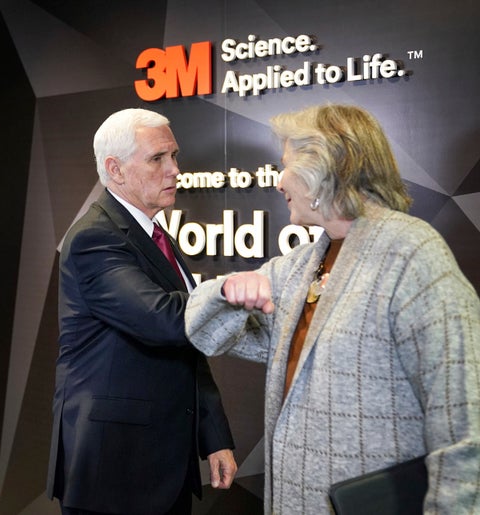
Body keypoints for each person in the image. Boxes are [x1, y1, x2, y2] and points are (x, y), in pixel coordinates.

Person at [184, 104, 480, 513]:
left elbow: (464, 421)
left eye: (286, 165)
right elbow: (204, 328)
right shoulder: (303, 264)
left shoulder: (410, 253)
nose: (279, 179)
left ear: (324, 170)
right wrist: (227, 290)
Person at [46, 108, 237, 515]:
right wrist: (235, 290)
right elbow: (162, 320)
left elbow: (188, 344)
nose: (174, 170)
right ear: (115, 170)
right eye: (157, 159)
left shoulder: (154, 234)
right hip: (113, 470)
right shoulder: (94, 238)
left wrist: (213, 434)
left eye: (174, 156)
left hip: (162, 463)